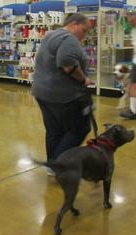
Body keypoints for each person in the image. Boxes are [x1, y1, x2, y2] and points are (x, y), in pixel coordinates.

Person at [31, 13, 94, 175]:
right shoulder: (69, 39)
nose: (84, 34)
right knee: (79, 128)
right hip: (62, 95)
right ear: (73, 24)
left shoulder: (51, 35)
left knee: (54, 130)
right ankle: (57, 164)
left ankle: (52, 164)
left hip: (42, 92)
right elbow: (67, 63)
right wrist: (83, 80)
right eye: (84, 30)